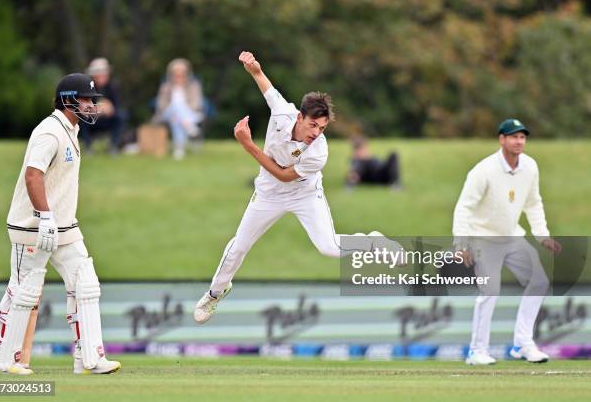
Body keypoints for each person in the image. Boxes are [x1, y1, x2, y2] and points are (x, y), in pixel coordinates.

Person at [193, 51, 402, 324]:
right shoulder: (282, 113)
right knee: (238, 247)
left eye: (323, 128)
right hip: (268, 194)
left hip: (303, 194)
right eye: (313, 125)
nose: (316, 132)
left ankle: (372, 242)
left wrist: (248, 145)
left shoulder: (319, 152)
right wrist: (254, 67)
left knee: (329, 248)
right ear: (299, 117)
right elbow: (263, 82)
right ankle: (214, 294)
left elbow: (283, 175)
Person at [0, 73, 121, 375]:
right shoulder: (50, 131)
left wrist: (55, 218)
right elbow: (33, 175)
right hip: (33, 225)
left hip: (64, 226)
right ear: (68, 100)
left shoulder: (70, 130)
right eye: (86, 100)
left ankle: (89, 358)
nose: (91, 106)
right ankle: (4, 359)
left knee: (85, 283)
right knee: (23, 290)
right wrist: (44, 216)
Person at [452, 118, 562, 365]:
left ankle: (522, 344)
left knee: (539, 282)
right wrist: (461, 244)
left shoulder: (530, 167)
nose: (519, 141)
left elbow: (533, 202)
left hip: (512, 236)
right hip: (483, 239)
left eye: (522, 137)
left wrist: (542, 235)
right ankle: (477, 351)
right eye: (513, 137)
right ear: (502, 139)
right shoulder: (483, 170)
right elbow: (463, 208)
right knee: (490, 291)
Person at [153, 58, 204, 160]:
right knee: (175, 108)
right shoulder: (165, 87)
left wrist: (183, 111)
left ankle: (179, 148)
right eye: (176, 73)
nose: (179, 75)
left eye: (182, 73)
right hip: (167, 114)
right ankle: (189, 128)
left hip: (190, 115)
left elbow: (196, 103)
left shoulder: (194, 86)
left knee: (176, 119)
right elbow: (161, 105)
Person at [79, 58, 124, 154]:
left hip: (107, 119)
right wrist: (97, 109)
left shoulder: (113, 87)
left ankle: (113, 146)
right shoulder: (87, 88)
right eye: (99, 73)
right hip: (92, 120)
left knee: (121, 116)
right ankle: (88, 147)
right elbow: (82, 108)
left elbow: (117, 106)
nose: (103, 76)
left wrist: (110, 108)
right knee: (81, 118)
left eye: (104, 73)